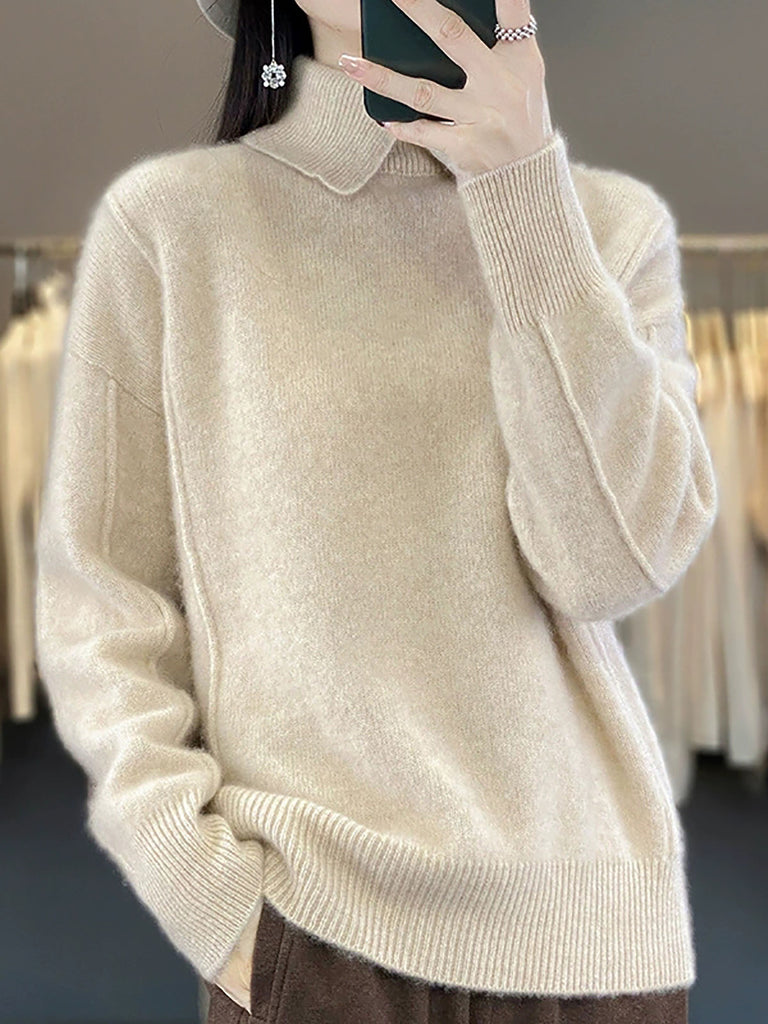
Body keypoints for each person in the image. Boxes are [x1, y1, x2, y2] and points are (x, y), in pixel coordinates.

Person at [34, 0, 718, 1022]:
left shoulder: (608, 230)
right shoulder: (174, 226)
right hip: (314, 939)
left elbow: (612, 565)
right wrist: (213, 904)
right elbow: (104, 604)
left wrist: (522, 193)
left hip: (591, 946)